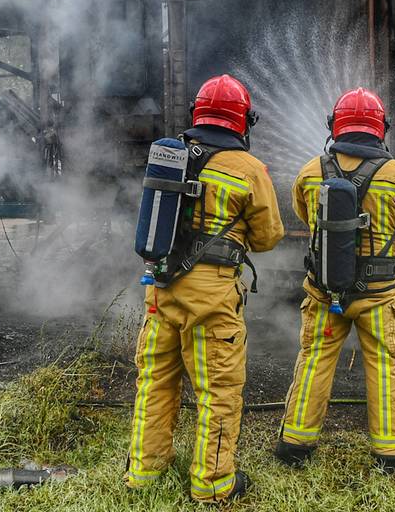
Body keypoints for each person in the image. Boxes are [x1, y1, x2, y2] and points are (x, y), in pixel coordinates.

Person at [125, 74, 284, 503]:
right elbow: (269, 237)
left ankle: (144, 470)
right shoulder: (248, 169)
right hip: (212, 297)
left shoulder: (172, 155)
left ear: (197, 113)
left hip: (160, 289)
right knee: (219, 389)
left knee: (155, 380)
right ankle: (213, 484)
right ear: (242, 121)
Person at [273, 87, 395, 472]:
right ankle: (391, 452)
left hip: (324, 290)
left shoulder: (311, 171)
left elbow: (305, 214)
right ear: (382, 129)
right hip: (379, 297)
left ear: (335, 126)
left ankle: (295, 443)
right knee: (385, 365)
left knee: (314, 359)